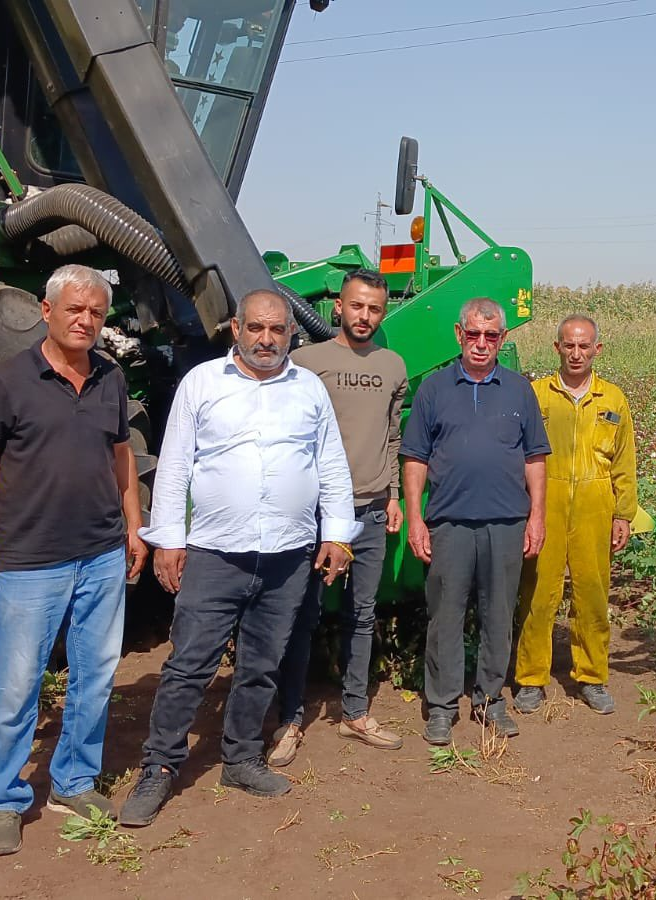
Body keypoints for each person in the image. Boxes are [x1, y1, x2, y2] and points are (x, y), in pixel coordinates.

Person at [118, 291, 356, 827]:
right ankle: (158, 767)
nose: (266, 339)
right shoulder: (203, 384)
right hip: (215, 553)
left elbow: (331, 467)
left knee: (261, 664)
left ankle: (242, 757)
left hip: (288, 555)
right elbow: (175, 464)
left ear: (292, 332)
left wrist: (338, 536)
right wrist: (169, 540)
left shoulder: (309, 389)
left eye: (277, 329)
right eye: (256, 328)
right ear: (235, 328)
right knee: (189, 664)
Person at [0, 264, 147, 856]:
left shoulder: (111, 380)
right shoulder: (9, 380)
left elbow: (121, 456)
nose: (86, 320)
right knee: (16, 685)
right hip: (31, 560)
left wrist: (134, 526)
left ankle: (73, 781)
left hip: (100, 555)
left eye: (95, 312)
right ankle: (3, 799)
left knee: (94, 677)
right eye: (75, 310)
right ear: (47, 311)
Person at [402, 297, 549, 746]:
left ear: (503, 339)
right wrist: (416, 520)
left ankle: (490, 700)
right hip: (448, 523)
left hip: (506, 523)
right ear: (458, 335)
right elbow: (415, 459)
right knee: (445, 616)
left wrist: (536, 517)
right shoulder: (433, 390)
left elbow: (535, 458)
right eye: (473, 334)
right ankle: (443, 706)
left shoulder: (519, 389)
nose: (481, 343)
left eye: (491, 335)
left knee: (498, 615)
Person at [275, 270, 410, 759]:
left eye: (374, 308)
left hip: (372, 508)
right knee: (302, 613)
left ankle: (354, 712)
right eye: (357, 306)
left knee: (362, 614)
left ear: (384, 311)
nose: (365, 316)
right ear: (338, 306)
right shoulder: (305, 361)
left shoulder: (394, 366)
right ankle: (290, 719)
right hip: (315, 511)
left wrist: (392, 494)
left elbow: (392, 436)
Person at [514, 315, 636, 716]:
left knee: (592, 592)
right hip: (545, 502)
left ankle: (592, 676)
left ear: (597, 349)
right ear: (557, 348)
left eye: (585, 346)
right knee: (538, 592)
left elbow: (624, 463)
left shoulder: (613, 398)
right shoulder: (535, 395)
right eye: (569, 345)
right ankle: (531, 678)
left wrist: (623, 513)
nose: (577, 353)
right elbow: (519, 456)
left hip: (595, 503)